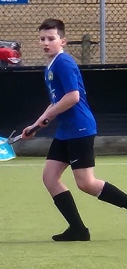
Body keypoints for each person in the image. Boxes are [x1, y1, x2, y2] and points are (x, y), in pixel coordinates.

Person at [22, 18, 127, 241]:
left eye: (51, 38)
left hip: (80, 128)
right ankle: (78, 229)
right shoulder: (51, 65)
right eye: (42, 39)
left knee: (86, 183)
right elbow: (56, 101)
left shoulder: (63, 62)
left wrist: (47, 117)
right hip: (66, 131)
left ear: (63, 41)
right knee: (50, 177)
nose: (46, 43)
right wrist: (35, 125)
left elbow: (73, 97)